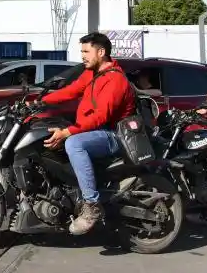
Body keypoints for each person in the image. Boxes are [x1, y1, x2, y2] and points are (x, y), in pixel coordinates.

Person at [40, 32, 136, 236]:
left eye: (86, 51)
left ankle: (91, 205)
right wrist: (39, 101)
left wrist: (68, 132)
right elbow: (72, 90)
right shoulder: (93, 73)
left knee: (74, 143)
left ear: (101, 52)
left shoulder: (115, 80)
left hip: (112, 135)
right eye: (81, 51)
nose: (82, 56)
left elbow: (100, 116)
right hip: (95, 131)